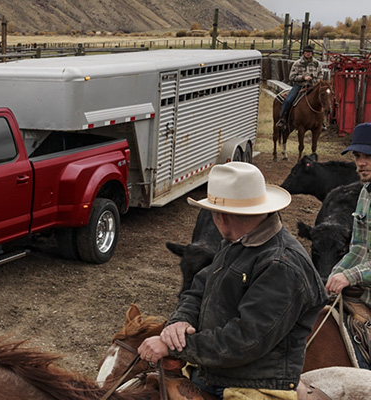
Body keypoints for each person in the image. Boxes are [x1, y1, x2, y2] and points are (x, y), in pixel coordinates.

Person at [138, 162, 327, 399]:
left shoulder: (281, 265)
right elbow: (199, 287)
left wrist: (175, 346)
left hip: (253, 383)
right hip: (213, 371)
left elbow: (245, 341)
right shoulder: (238, 242)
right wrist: (180, 320)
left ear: (222, 217)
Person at [325, 122, 371, 368]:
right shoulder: (366, 192)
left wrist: (351, 276)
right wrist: (335, 274)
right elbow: (359, 248)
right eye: (357, 156)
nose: (360, 163)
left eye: (368, 156)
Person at [276, 44, 324, 128]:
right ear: (303, 53)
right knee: (288, 100)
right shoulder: (297, 63)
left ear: (312, 53)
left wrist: (317, 80)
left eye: (310, 52)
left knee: (323, 99)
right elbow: (291, 77)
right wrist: (303, 77)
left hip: (313, 86)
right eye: (306, 52)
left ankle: (322, 121)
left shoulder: (317, 63)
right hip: (300, 86)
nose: (308, 54)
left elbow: (321, 74)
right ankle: (282, 118)